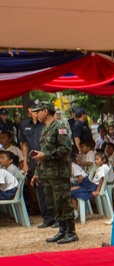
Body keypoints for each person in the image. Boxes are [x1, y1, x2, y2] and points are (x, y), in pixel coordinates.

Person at [30, 101, 77, 244]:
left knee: (63, 202)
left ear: (45, 111)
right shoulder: (45, 129)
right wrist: (37, 172)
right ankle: (62, 230)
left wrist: (46, 155)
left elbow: (66, 149)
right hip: (47, 173)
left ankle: (71, 232)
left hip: (59, 173)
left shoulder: (60, 127)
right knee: (53, 203)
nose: (35, 114)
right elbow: (41, 154)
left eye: (38, 111)